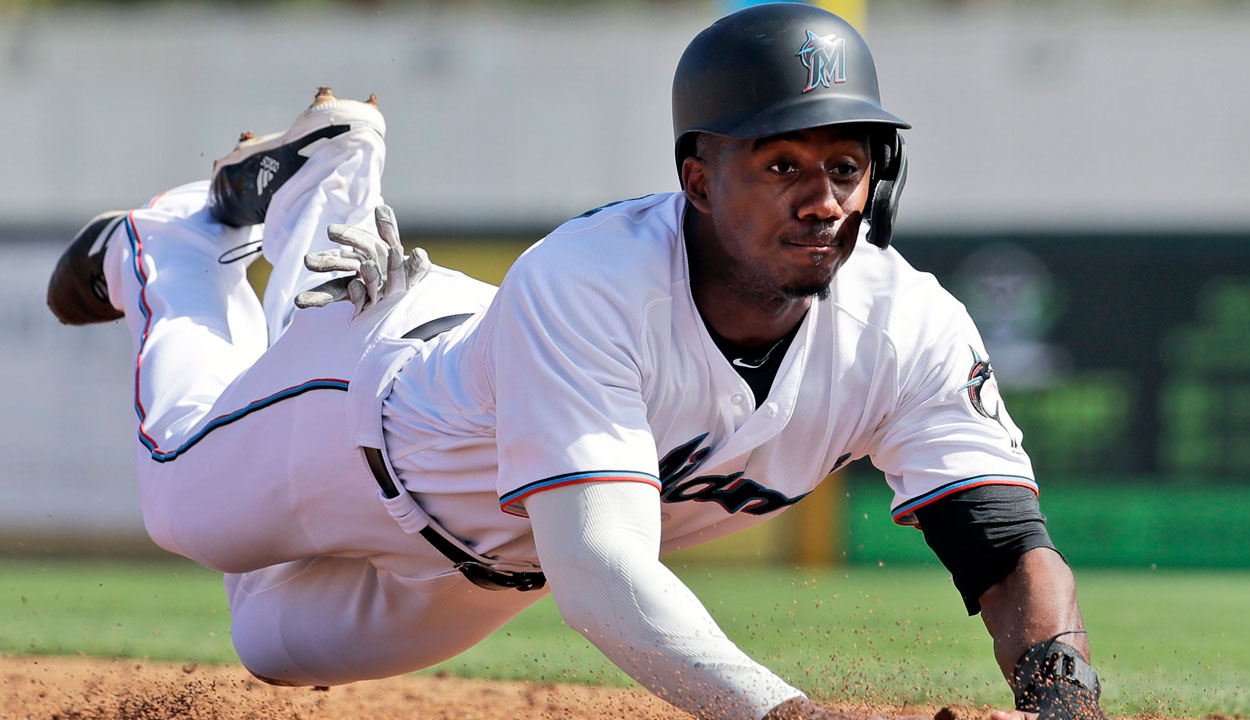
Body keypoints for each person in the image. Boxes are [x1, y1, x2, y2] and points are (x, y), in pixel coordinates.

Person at [46, 4, 1105, 720]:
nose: (821, 196)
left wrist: (1059, 687)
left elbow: (1005, 548)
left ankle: (329, 230)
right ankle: (177, 253)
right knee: (181, 507)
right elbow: (602, 580)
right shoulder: (598, 278)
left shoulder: (907, 327)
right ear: (697, 176)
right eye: (779, 162)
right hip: (362, 426)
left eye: (844, 164)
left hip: (491, 564)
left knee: (270, 647)